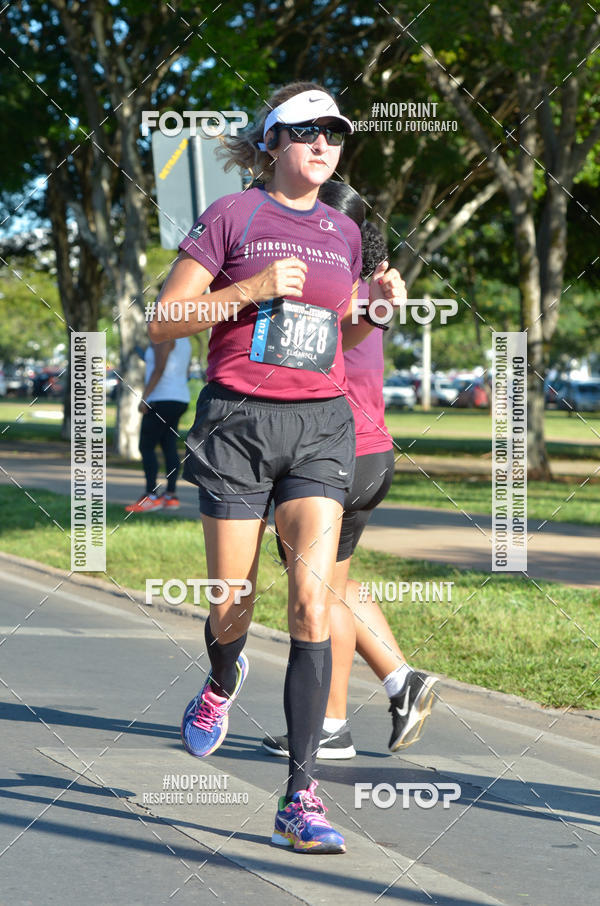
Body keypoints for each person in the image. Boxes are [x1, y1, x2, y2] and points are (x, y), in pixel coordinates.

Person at [148, 81, 405, 855]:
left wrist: (374, 313)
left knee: (310, 607)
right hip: (237, 423)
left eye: (334, 132)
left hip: (321, 427)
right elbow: (164, 320)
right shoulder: (233, 216)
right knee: (234, 604)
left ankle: (300, 798)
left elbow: (339, 339)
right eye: (307, 130)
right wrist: (252, 289)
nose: (324, 143)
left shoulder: (343, 231)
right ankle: (221, 679)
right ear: (272, 143)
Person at [262, 181, 438, 761]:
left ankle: (342, 719)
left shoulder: (330, 292)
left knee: (320, 591)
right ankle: (392, 687)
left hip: (335, 453)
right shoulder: (365, 288)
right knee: (333, 583)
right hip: (373, 453)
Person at [125, 337, 191, 513]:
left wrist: (145, 398)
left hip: (162, 398)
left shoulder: (165, 335)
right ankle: (170, 496)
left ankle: (151, 496)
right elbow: (185, 372)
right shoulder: (185, 338)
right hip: (179, 398)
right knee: (168, 445)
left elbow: (159, 368)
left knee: (146, 446)